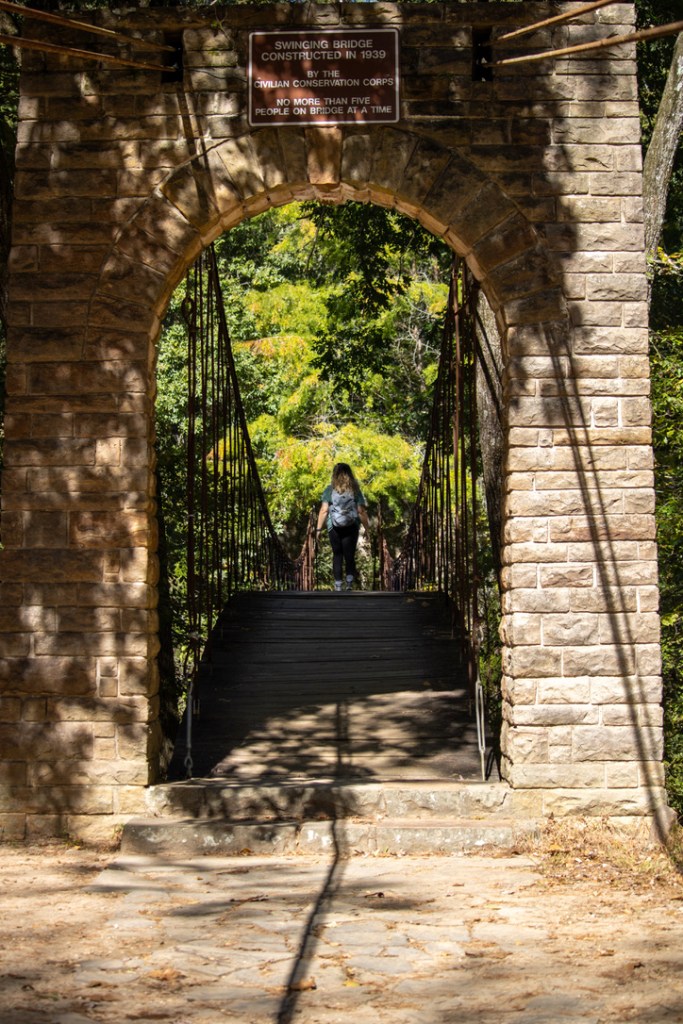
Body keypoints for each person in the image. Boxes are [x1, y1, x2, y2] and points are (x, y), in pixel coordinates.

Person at [316, 462, 370, 591]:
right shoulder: (356, 490)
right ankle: (349, 583)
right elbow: (361, 511)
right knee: (349, 554)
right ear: (349, 474)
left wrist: (318, 529)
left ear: (335, 474)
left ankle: (338, 585)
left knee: (337, 554)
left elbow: (324, 510)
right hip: (351, 526)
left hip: (333, 527)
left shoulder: (329, 490)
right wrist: (367, 529)